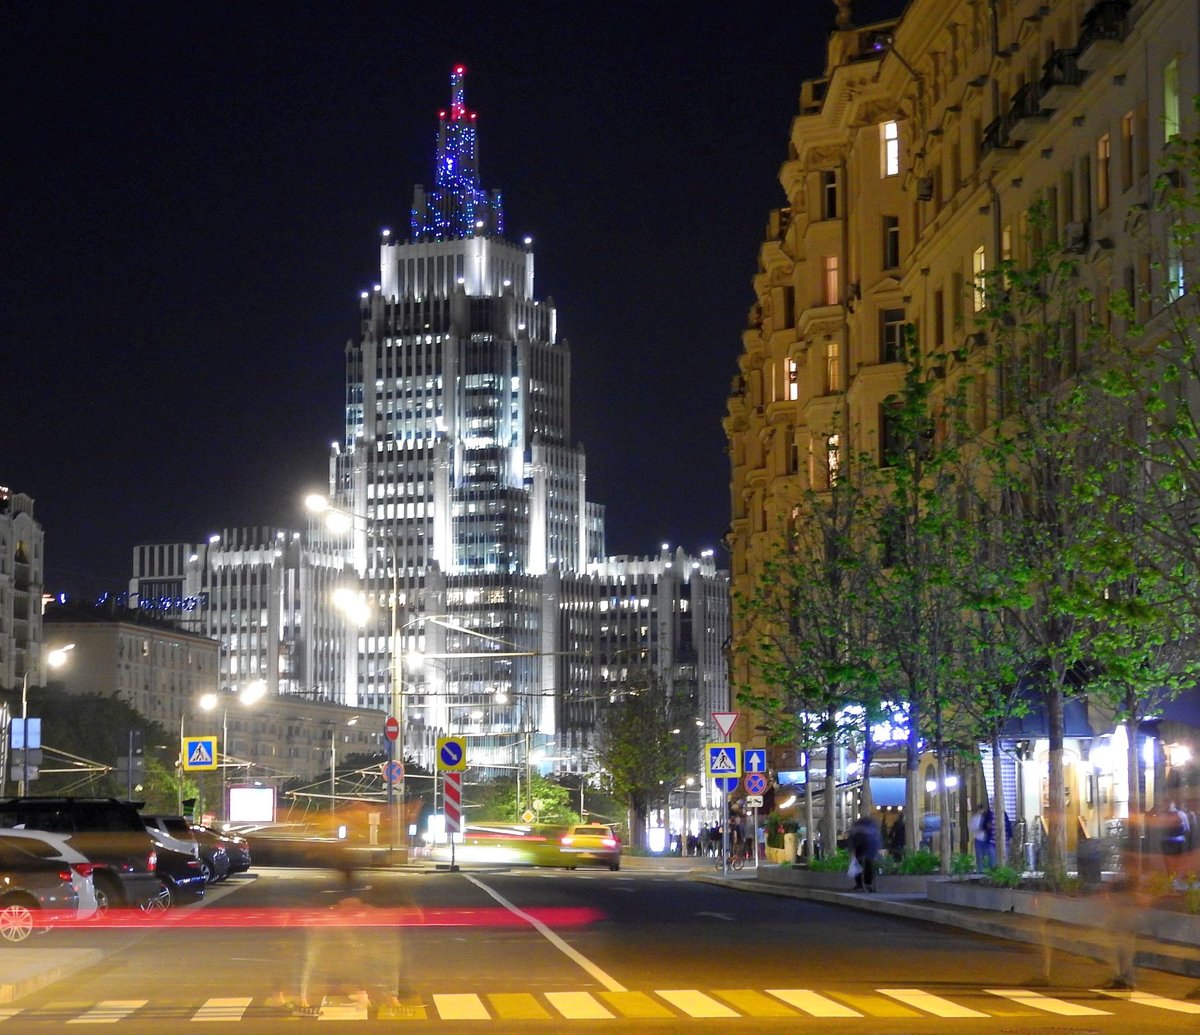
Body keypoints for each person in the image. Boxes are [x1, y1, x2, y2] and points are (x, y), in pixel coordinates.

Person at [847, 814, 882, 892]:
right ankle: (868, 884)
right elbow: (877, 838)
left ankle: (859, 885)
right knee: (869, 864)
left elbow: (852, 840)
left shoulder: (856, 828)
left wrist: (851, 851)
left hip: (860, 846)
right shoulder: (873, 827)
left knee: (857, 865)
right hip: (872, 847)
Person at [1162, 800, 1190, 879]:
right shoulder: (1181, 814)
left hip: (1167, 841)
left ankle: (1171, 877)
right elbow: (1187, 829)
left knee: (1168, 861)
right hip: (1178, 840)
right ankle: (1175, 877)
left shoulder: (1163, 815)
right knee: (1177, 860)